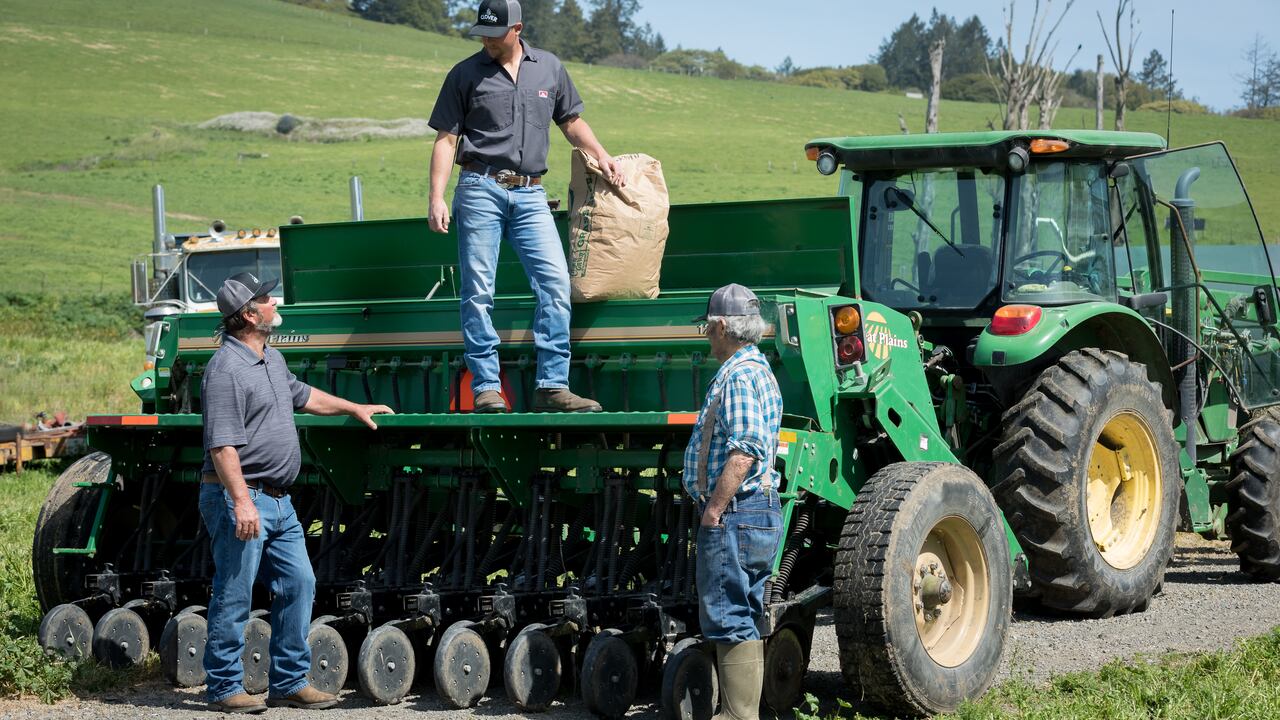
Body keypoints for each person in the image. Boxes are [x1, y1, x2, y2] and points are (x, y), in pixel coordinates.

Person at [199, 271, 393, 713]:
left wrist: (354, 407)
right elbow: (222, 445)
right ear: (250, 315)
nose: (275, 303)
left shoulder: (271, 358)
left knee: (299, 583)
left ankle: (288, 682)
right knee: (234, 591)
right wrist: (242, 501)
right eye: (267, 299)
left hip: (278, 500)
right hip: (243, 497)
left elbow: (304, 396)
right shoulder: (225, 370)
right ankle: (223, 687)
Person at [426, 0, 625, 414]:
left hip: (532, 194)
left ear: (517, 29)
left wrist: (602, 155)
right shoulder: (464, 74)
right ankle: (486, 387)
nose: (486, 40)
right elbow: (446, 139)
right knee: (478, 291)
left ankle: (551, 387)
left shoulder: (549, 68)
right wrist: (436, 197)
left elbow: (571, 121)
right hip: (479, 188)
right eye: (482, 33)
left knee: (555, 284)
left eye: (494, 33)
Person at [683, 284, 784, 720]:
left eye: (708, 328)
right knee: (744, 612)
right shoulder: (758, 370)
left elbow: (746, 450)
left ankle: (737, 716)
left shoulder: (739, 375)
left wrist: (713, 509)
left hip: (737, 512)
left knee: (728, 614)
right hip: (756, 511)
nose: (707, 336)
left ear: (722, 326)